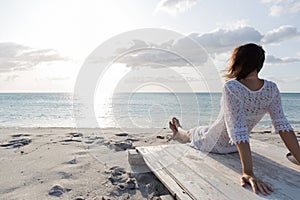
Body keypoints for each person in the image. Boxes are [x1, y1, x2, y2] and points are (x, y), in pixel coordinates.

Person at [169, 43, 300, 195]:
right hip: (234, 146)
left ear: (238, 62)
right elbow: (283, 127)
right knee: (197, 131)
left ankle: (179, 130)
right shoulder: (271, 88)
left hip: (216, 144)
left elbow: (239, 130)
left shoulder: (232, 87)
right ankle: (178, 129)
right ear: (259, 64)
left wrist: (248, 172)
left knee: (194, 133)